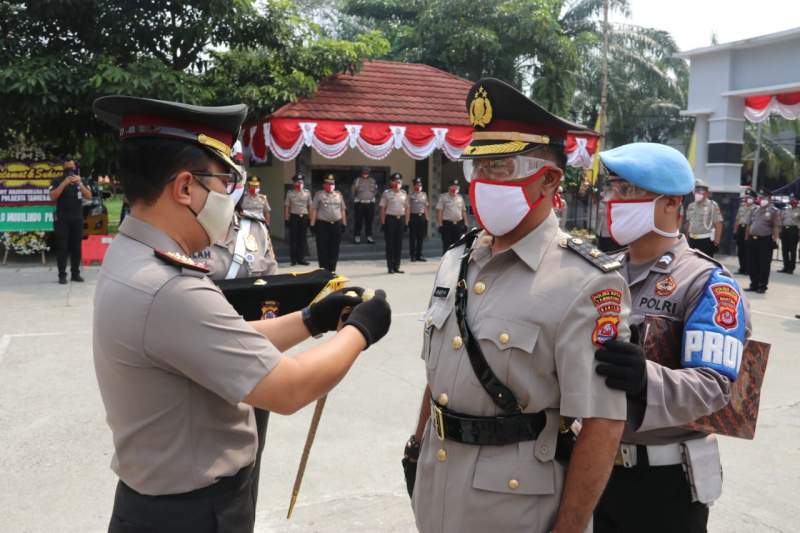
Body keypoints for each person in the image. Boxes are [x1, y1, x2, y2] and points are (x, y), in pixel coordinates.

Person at [91, 95, 392, 533]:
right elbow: (289, 389)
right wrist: (360, 330)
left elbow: (226, 339)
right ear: (184, 188)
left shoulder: (134, 258)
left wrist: (312, 319)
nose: (227, 200)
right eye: (221, 185)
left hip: (157, 505)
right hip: (191, 515)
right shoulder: (170, 288)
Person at [407, 78, 630, 533]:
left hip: (516, 510)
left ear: (549, 179)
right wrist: (415, 449)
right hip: (437, 491)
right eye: (478, 167)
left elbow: (603, 424)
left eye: (501, 167)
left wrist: (568, 529)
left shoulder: (584, 280)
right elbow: (440, 379)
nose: (484, 182)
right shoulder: (457, 260)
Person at [592, 142, 750, 533]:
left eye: (628, 191)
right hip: (592, 466)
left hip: (664, 484)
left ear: (670, 204)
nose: (615, 201)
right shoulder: (601, 274)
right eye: (613, 189)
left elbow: (715, 387)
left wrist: (646, 378)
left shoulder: (707, 284)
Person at [49, 158, 92, 284]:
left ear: (75, 168)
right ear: (63, 169)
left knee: (76, 247)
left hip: (77, 218)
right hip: (62, 219)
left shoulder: (81, 180)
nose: (70, 171)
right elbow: (52, 196)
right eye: (67, 168)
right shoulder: (57, 180)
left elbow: (89, 195)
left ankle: (75, 274)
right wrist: (65, 182)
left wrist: (80, 184)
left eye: (72, 168)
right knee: (62, 247)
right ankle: (62, 275)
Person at [744, 191, 780, 293]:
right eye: (760, 197)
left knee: (763, 264)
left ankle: (762, 285)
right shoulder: (755, 209)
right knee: (752, 263)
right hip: (753, 239)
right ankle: (753, 284)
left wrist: (775, 239)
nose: (761, 199)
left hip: (765, 240)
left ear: (769, 198)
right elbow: (749, 224)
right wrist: (747, 238)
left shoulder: (773, 211)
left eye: (763, 197)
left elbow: (776, 226)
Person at [311, 174, 346, 272]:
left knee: (334, 247)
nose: (330, 185)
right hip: (323, 225)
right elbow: (314, 210)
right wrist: (312, 224)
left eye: (332, 184)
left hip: (336, 224)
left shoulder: (339, 195)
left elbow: (342, 210)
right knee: (322, 247)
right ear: (324, 185)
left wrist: (344, 223)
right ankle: (323, 269)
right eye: (328, 184)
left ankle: (332, 269)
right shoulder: (319, 195)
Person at [379, 172, 410, 274]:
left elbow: (407, 209)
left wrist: (406, 223)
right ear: (391, 182)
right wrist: (383, 223)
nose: (397, 183)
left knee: (398, 244)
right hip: (390, 220)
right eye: (395, 181)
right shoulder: (387, 193)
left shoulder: (404, 194)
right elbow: (383, 209)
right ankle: (390, 267)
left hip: (400, 220)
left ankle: (397, 266)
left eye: (399, 181)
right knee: (390, 244)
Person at [684, 179, 722, 257]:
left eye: (701, 192)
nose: (698, 194)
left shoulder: (712, 205)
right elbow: (689, 224)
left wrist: (716, 242)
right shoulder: (691, 206)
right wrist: (687, 239)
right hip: (692, 240)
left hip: (705, 241)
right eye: (696, 191)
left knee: (705, 264)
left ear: (707, 193)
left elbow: (718, 225)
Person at [284, 173, 311, 266]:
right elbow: (287, 206)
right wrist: (287, 218)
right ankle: (293, 259)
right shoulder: (290, 193)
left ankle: (301, 258)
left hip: (304, 216)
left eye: (301, 182)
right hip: (294, 216)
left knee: (302, 238)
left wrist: (310, 219)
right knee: (294, 238)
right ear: (294, 183)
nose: (299, 183)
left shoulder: (307, 193)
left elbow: (309, 206)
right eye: (297, 182)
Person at [435, 179, 467, 253]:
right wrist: (440, 225)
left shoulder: (460, 198)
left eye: (456, 186)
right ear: (449, 187)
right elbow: (439, 211)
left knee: (458, 246)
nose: (454, 188)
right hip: (447, 225)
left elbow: (463, 211)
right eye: (453, 186)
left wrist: (465, 223)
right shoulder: (443, 197)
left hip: (458, 225)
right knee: (447, 247)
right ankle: (446, 264)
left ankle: (455, 264)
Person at [351, 166, 378, 244]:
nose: (365, 173)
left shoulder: (373, 180)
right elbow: (353, 191)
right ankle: (357, 236)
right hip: (360, 203)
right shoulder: (357, 180)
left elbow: (375, 191)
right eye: (364, 171)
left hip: (370, 204)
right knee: (358, 221)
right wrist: (355, 200)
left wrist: (371, 197)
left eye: (367, 171)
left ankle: (369, 236)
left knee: (369, 221)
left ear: (369, 172)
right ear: (361, 172)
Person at [733, 191, 756, 274]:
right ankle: (741, 268)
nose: (747, 199)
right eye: (746, 197)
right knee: (740, 250)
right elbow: (737, 219)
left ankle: (748, 269)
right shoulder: (742, 207)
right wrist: (735, 231)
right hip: (741, 228)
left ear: (754, 198)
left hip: (749, 230)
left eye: (749, 197)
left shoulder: (755, 208)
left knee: (748, 251)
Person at [409, 176, 430, 262]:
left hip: (422, 217)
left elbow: (425, 207)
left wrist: (427, 217)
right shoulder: (410, 195)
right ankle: (413, 255)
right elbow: (408, 207)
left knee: (420, 237)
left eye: (420, 184)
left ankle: (419, 255)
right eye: (417, 184)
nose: (418, 186)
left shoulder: (424, 195)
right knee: (413, 237)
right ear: (414, 186)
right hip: (413, 216)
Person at [779, 196, 799, 274]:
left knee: (792, 250)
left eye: (794, 200)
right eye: (792, 200)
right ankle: (785, 267)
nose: (793, 202)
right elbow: (781, 220)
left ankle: (791, 268)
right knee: (785, 250)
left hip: (794, 230)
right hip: (785, 230)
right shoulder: (786, 209)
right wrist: (780, 231)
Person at [596, 183, 618, 253]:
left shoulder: (617, 194)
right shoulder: (603, 194)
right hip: (601, 232)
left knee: (612, 255)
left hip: (612, 234)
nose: (604, 187)